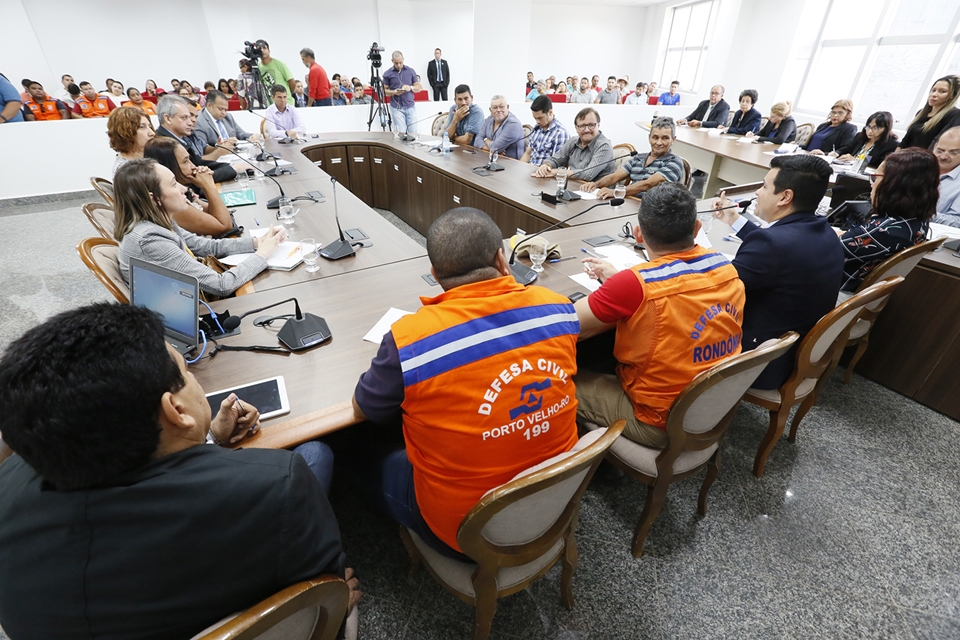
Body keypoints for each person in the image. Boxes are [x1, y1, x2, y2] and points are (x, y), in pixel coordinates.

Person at [0, 302, 356, 640]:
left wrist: (208, 438)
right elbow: (323, 588)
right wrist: (339, 594)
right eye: (187, 372)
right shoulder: (278, 486)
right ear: (175, 410)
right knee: (316, 452)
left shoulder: (10, 482)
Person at [349, 207, 580, 558]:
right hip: (557, 497)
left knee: (352, 452)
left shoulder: (409, 339)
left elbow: (364, 407)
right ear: (502, 258)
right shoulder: (559, 308)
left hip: (465, 533)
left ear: (434, 274)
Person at [573, 182, 745, 446]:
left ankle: (593, 462)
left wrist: (621, 285)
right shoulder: (726, 267)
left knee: (560, 380)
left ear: (638, 235)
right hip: (711, 407)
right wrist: (622, 282)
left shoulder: (634, 284)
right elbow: (678, 289)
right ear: (697, 229)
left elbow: (569, 323)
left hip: (658, 421)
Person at [712, 155, 843, 389]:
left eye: (764, 186)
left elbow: (718, 288)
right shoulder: (825, 232)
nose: (757, 194)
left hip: (758, 361)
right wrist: (734, 219)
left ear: (785, 196)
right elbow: (780, 246)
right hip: (793, 353)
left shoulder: (771, 244)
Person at [115, 159, 284, 297]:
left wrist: (256, 242)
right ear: (154, 199)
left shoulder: (158, 220)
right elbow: (221, 285)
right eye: (174, 184)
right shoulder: (149, 239)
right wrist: (263, 254)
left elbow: (205, 246)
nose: (184, 189)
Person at [838, 148, 937, 293]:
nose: (871, 184)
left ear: (893, 185)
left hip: (838, 294)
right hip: (859, 294)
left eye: (875, 177)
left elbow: (819, 252)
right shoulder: (917, 221)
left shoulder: (882, 231)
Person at [144, 137, 236, 236]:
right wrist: (209, 186)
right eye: (185, 161)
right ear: (167, 167)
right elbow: (225, 226)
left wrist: (206, 187)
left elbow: (211, 212)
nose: (193, 166)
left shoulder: (183, 189)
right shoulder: (169, 202)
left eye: (190, 159)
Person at [581, 116, 684, 199]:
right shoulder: (638, 158)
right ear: (649, 138)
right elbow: (614, 177)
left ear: (673, 140)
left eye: (665, 138)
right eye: (655, 137)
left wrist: (616, 192)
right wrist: (595, 184)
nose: (658, 142)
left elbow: (648, 184)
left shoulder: (675, 162)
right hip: (630, 204)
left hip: (655, 212)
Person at [155, 95, 237, 183]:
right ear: (168, 118)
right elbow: (192, 180)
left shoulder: (182, 138)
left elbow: (199, 162)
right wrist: (232, 169)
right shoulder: (163, 144)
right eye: (184, 118)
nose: (190, 122)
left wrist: (232, 166)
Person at [533, 107, 615, 181]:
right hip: (574, 188)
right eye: (582, 126)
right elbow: (555, 159)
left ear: (598, 125)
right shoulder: (573, 141)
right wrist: (546, 166)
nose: (586, 130)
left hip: (597, 193)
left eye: (591, 125)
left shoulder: (604, 146)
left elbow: (588, 174)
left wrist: (556, 172)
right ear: (576, 128)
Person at [193, 89, 261, 161]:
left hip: (235, 155)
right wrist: (219, 146)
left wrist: (253, 136)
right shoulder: (199, 121)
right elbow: (201, 148)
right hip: (216, 160)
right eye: (221, 109)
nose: (224, 113)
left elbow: (241, 134)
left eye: (226, 110)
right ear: (209, 105)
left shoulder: (228, 117)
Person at [900, 75, 960, 151]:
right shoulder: (921, 113)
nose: (934, 94)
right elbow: (904, 142)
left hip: (925, 160)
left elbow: (938, 144)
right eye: (933, 90)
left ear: (952, 95)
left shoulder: (954, 115)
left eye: (942, 91)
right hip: (904, 158)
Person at [829, 111, 898, 168]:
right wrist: (837, 153)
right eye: (869, 126)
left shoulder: (891, 145)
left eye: (875, 128)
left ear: (886, 129)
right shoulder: (861, 136)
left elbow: (880, 165)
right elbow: (847, 148)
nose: (870, 131)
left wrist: (856, 160)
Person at [520, 94, 570, 166]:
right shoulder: (536, 129)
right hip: (530, 170)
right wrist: (519, 168)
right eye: (535, 118)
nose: (537, 121)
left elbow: (556, 164)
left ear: (550, 112)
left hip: (545, 174)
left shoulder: (560, 133)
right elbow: (528, 154)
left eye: (540, 118)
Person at [473, 95, 526, 160]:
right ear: (490, 110)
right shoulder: (490, 119)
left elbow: (496, 147)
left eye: (501, 107)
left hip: (511, 164)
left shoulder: (513, 124)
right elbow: (477, 140)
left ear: (508, 107)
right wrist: (491, 150)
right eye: (495, 107)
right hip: (492, 159)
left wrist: (486, 140)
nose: (498, 110)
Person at [108, 106, 156, 176]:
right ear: (125, 132)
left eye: (150, 126)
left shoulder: (147, 155)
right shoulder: (126, 170)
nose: (152, 133)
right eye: (142, 127)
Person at [383, 51, 422, 133]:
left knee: (413, 133)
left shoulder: (410, 71)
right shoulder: (387, 74)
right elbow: (383, 91)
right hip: (396, 108)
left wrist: (410, 87)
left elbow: (419, 87)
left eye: (400, 62)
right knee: (401, 133)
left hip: (410, 106)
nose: (399, 65)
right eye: (396, 63)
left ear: (403, 59)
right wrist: (394, 92)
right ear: (392, 61)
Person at [933, 126, 960, 226]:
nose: (943, 157)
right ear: (935, 147)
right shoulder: (917, 166)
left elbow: (957, 221)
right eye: (940, 151)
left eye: (953, 153)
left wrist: (921, 214)